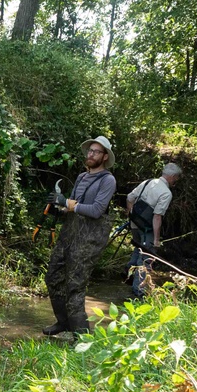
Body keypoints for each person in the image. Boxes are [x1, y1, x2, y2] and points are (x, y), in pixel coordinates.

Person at [43, 136, 118, 336]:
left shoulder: (108, 180)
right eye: (89, 151)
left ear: (104, 157)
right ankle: (63, 322)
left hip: (89, 241)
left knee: (75, 284)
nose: (91, 154)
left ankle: (82, 336)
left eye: (96, 152)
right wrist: (57, 208)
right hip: (69, 235)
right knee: (52, 276)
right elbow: (73, 207)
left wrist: (67, 202)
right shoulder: (81, 177)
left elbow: (96, 211)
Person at [126, 163, 182, 298]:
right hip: (147, 229)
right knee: (146, 257)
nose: (176, 181)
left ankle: (127, 276)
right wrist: (156, 239)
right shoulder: (166, 193)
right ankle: (139, 292)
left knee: (137, 249)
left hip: (135, 224)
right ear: (172, 177)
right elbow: (157, 216)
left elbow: (129, 198)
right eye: (176, 178)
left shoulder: (148, 182)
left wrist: (131, 213)